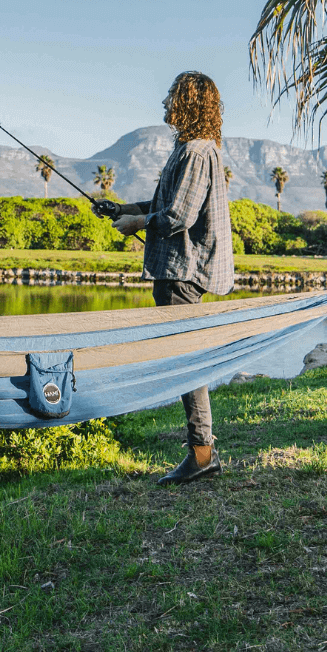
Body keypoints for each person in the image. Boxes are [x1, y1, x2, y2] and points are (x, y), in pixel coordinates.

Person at [111, 71, 234, 485]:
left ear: (187, 103)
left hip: (183, 271)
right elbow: (168, 203)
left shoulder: (196, 152)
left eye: (172, 96)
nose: (165, 102)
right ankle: (202, 452)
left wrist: (137, 224)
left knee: (187, 361)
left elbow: (180, 216)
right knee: (186, 358)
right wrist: (123, 210)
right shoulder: (190, 149)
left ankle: (202, 454)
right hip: (177, 268)